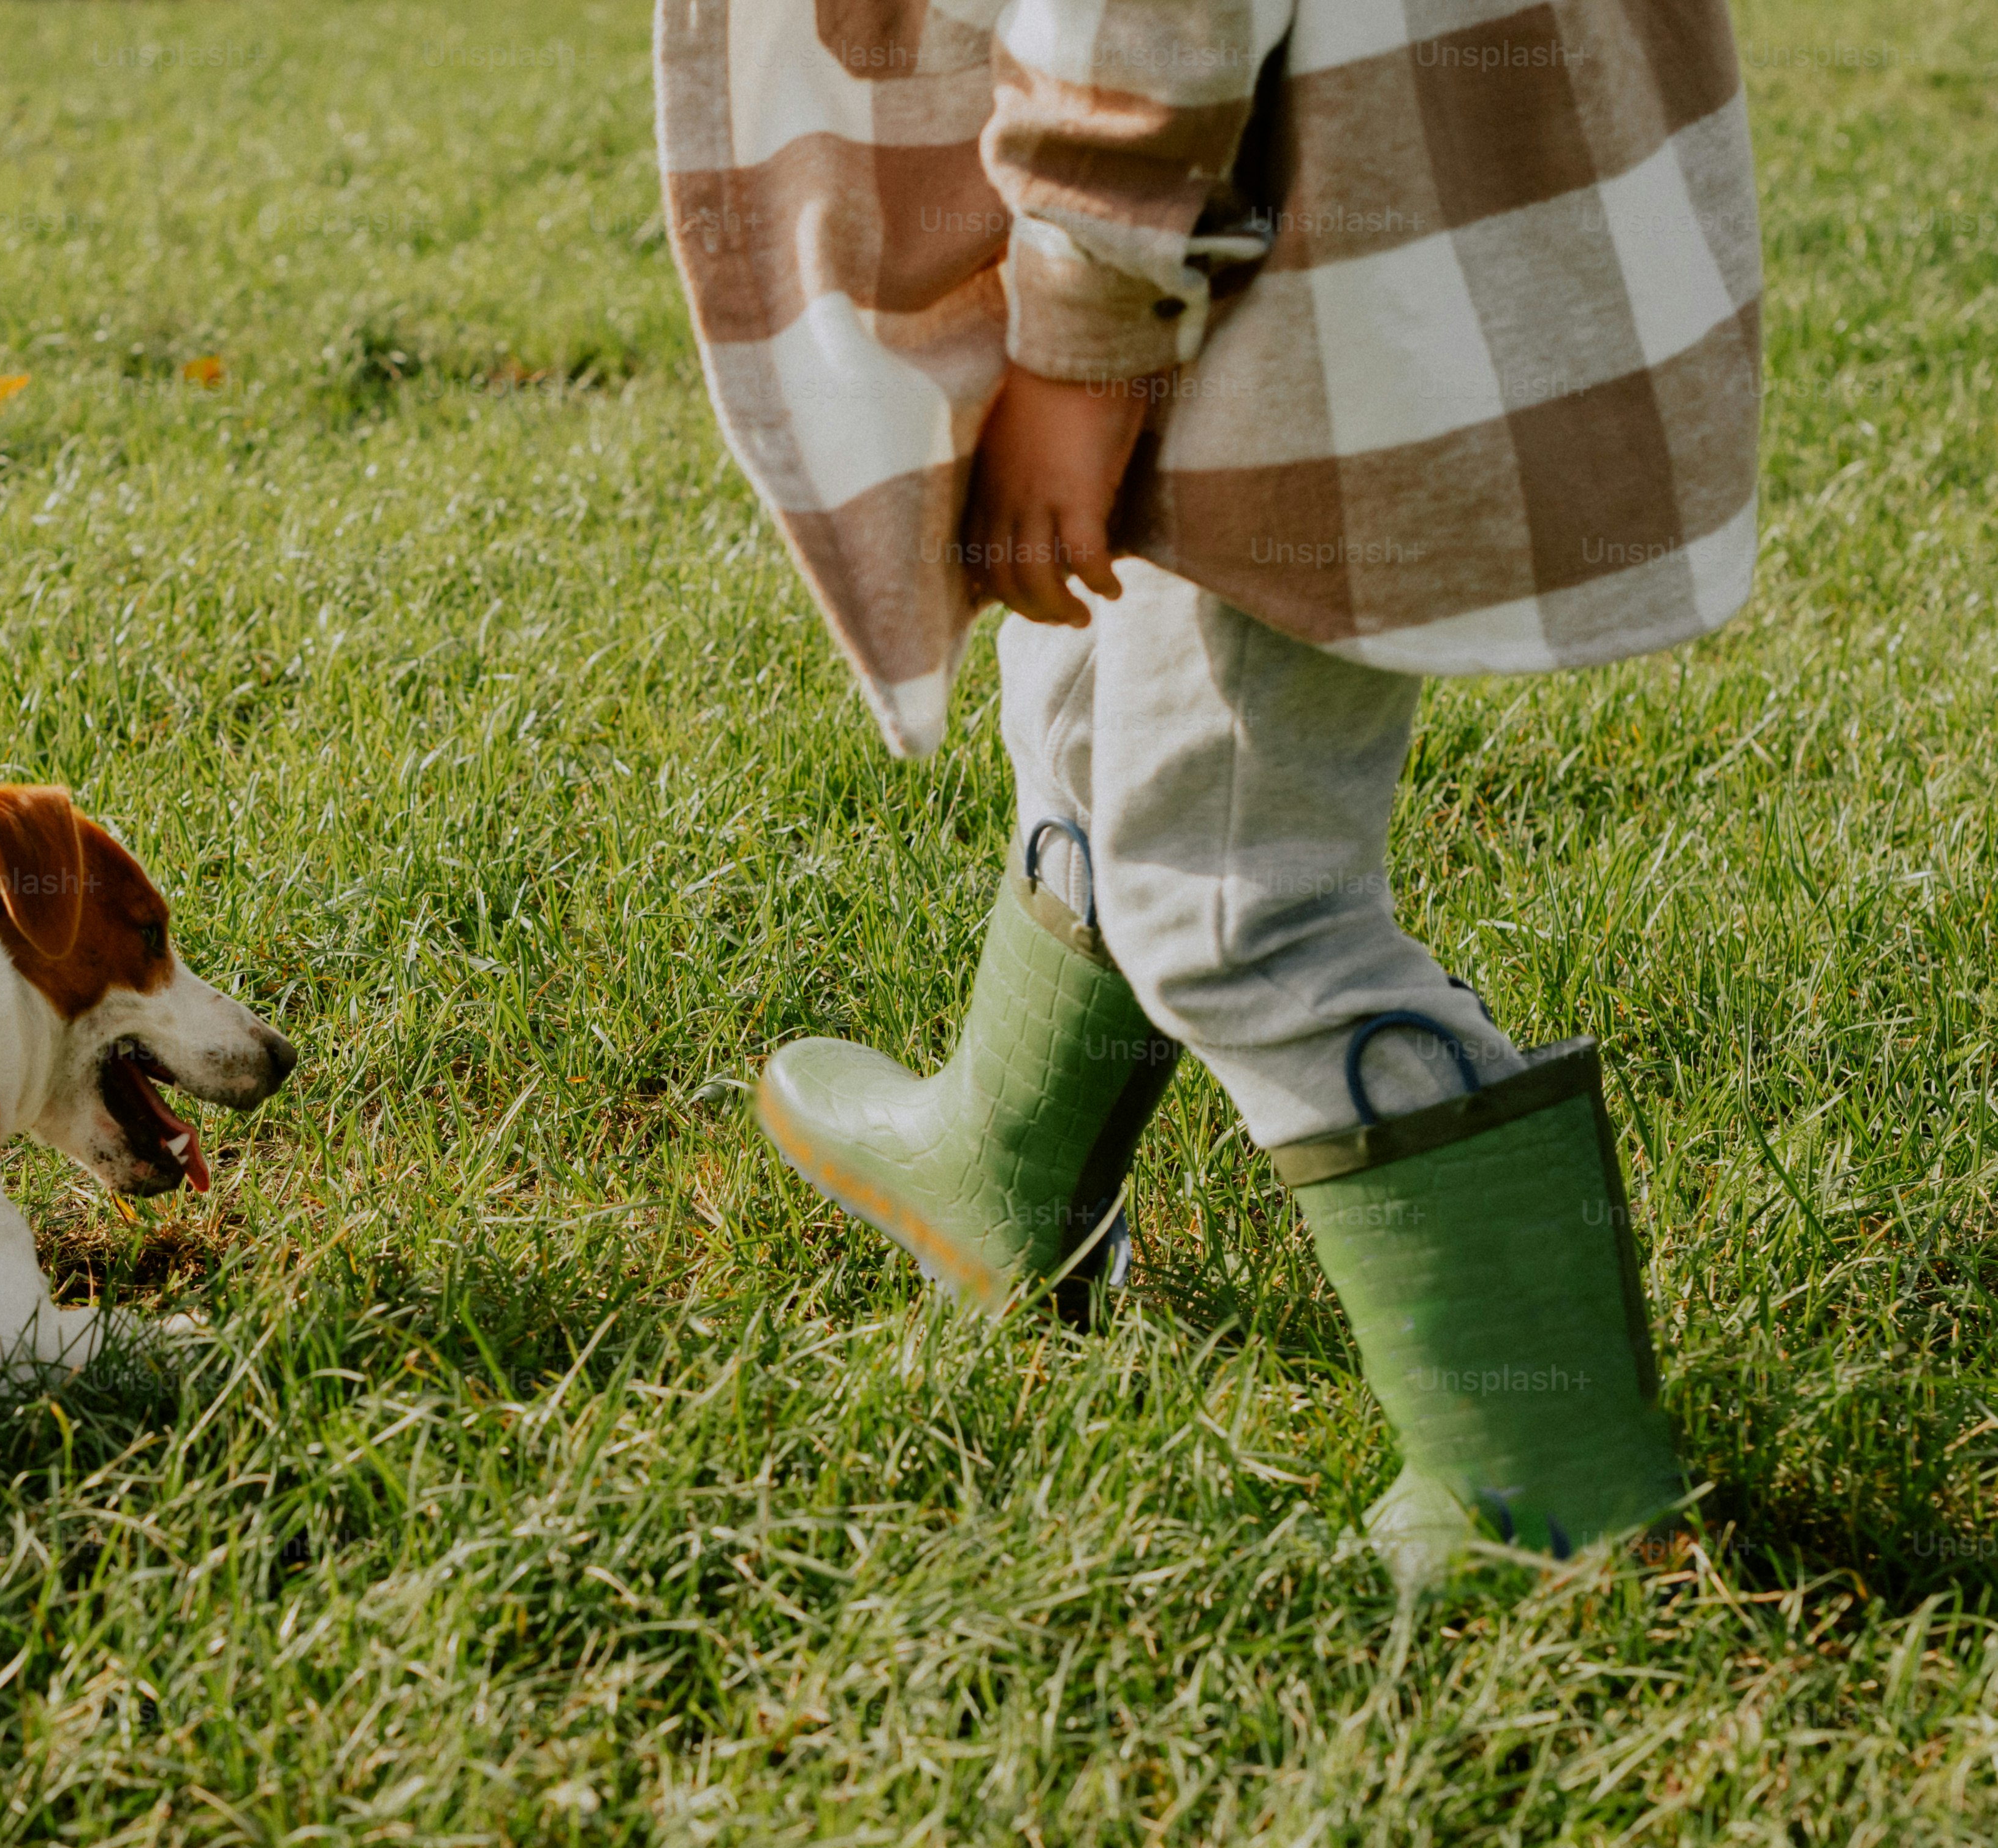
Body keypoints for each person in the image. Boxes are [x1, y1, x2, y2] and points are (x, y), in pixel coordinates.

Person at [657, 0, 1763, 1584]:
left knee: (1235, 901)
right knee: (1096, 708)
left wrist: (1080, 324)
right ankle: (1002, 1166)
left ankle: (1551, 1493)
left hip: (1272, 271)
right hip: (1304, 222)